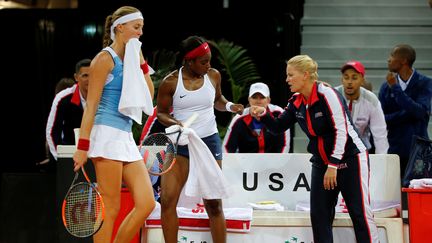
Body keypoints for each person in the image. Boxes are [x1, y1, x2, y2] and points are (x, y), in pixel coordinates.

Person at [250, 55, 378, 243]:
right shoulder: (296, 101)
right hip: (321, 163)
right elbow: (278, 127)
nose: (287, 80)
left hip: (351, 158)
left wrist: (333, 165)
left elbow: (341, 131)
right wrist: (264, 114)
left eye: (290, 75)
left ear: (305, 75)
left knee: (359, 214)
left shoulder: (328, 94)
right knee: (319, 217)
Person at [72, 6, 156, 243]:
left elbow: (148, 96)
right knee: (111, 206)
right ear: (120, 27)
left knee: (147, 203)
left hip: (125, 136)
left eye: (141, 28)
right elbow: (91, 106)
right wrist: (82, 146)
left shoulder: (132, 59)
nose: (140, 33)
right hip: (106, 134)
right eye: (136, 27)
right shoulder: (103, 59)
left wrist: (141, 63)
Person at [156, 35, 244, 243]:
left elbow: (218, 101)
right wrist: (174, 122)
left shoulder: (213, 75)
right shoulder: (170, 82)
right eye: (203, 61)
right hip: (181, 145)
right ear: (189, 61)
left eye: (209, 60)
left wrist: (231, 106)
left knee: (214, 204)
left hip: (208, 142)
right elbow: (161, 112)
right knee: (168, 201)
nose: (208, 65)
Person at [378, 44, 432, 179]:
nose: (388, 59)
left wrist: (396, 89)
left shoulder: (424, 83)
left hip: (419, 150)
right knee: (394, 195)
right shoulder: (386, 87)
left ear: (404, 60)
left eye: (392, 55)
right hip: (394, 150)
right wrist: (409, 113)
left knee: (416, 191)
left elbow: (421, 112)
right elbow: (382, 119)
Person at [335, 60, 389, 154]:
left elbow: (380, 134)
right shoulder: (333, 96)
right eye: (346, 77)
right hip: (335, 148)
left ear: (362, 80)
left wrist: (382, 159)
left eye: (354, 78)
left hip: (360, 150)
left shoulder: (371, 99)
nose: (349, 82)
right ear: (342, 80)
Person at [223, 82, 290, 153]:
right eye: (254, 97)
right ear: (249, 100)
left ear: (268, 100)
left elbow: (284, 145)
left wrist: (280, 163)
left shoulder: (279, 113)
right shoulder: (239, 118)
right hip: (246, 162)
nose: (258, 101)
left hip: (274, 162)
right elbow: (227, 147)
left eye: (262, 97)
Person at [46, 60, 91, 162]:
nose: (89, 79)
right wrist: (61, 159)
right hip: (70, 156)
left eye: (92, 75)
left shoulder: (106, 96)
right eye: (85, 76)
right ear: (76, 77)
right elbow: (52, 131)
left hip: (98, 155)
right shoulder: (62, 98)